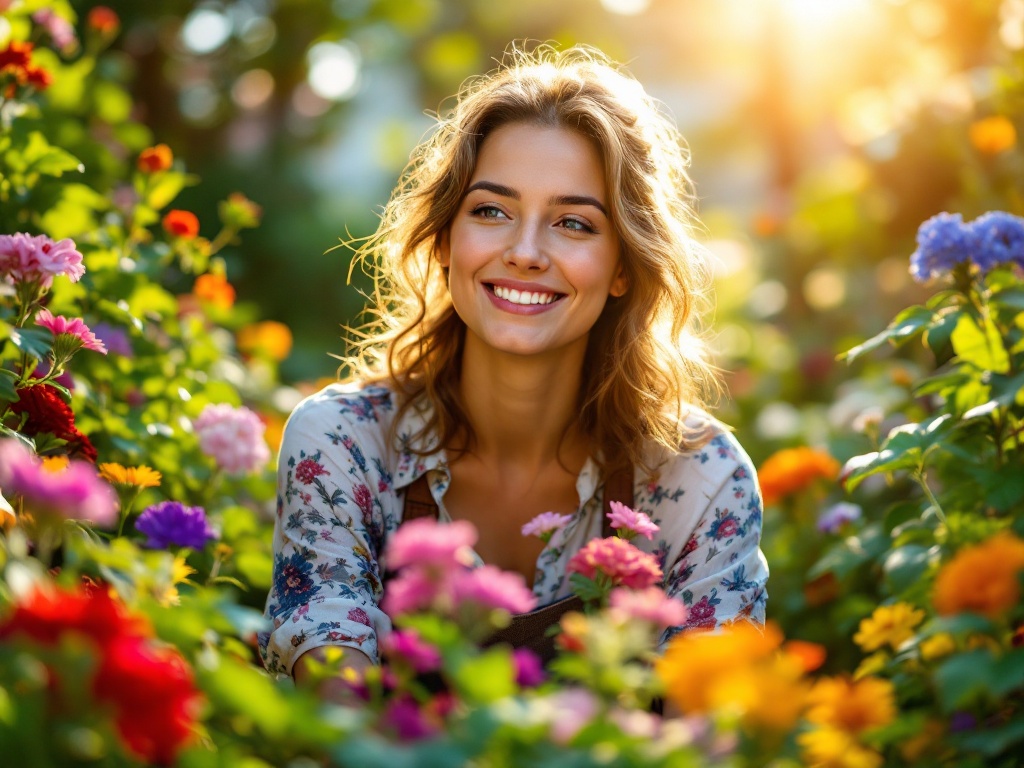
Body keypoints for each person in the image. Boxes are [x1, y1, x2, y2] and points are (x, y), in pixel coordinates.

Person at [259, 44, 768, 702]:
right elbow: (334, 703)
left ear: (622, 266)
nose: (525, 252)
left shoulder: (699, 479)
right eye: (492, 211)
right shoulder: (341, 446)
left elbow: (713, 724)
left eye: (573, 223)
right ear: (445, 241)